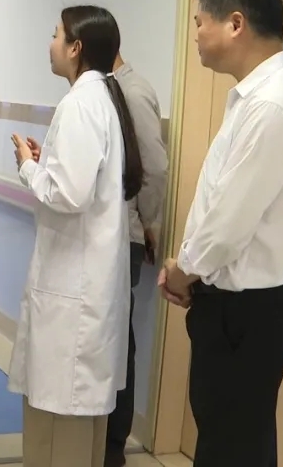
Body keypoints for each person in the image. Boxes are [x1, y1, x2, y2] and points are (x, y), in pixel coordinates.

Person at [159, 0, 283, 467]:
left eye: (199, 22)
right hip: (242, 306)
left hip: (246, 310)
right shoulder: (267, 97)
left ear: (235, 24)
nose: (195, 34)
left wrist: (184, 271)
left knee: (232, 444)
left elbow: (228, 223)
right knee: (235, 439)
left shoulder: (274, 105)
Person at [8, 5, 143, 467]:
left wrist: (28, 167)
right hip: (85, 283)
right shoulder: (100, 98)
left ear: (75, 47)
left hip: (75, 290)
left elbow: (68, 194)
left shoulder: (81, 103)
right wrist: (46, 162)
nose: (50, 43)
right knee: (77, 421)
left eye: (55, 34)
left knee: (62, 420)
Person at [105, 53, 167, 467]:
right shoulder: (100, 91)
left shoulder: (133, 91)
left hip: (122, 235)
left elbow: (154, 168)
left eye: (60, 37)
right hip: (103, 237)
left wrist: (150, 221)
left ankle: (113, 447)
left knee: (115, 343)